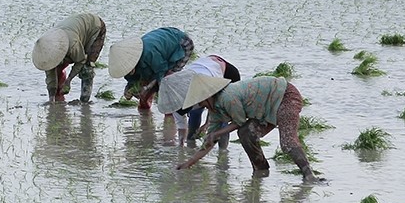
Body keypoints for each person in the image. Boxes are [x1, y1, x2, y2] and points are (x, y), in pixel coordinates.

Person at [175, 74, 322, 183]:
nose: (202, 106)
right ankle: (261, 170)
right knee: (246, 133)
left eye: (202, 103)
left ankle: (309, 175)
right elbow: (210, 140)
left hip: (285, 96)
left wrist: (217, 133)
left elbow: (238, 122)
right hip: (264, 109)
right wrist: (189, 163)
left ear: (208, 97)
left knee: (287, 142)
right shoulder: (215, 111)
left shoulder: (228, 98)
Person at [158, 55, 241, 146]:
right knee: (195, 113)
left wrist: (206, 124)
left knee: (222, 117)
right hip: (201, 69)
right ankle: (191, 142)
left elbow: (214, 106)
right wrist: (181, 145)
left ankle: (223, 152)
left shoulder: (204, 84)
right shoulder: (176, 102)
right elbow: (181, 127)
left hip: (224, 71)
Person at [108, 27, 194, 110]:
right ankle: (146, 109)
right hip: (160, 53)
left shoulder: (149, 53)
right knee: (146, 83)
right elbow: (132, 81)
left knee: (168, 80)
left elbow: (161, 73)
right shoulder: (126, 68)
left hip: (181, 42)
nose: (128, 71)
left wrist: (147, 88)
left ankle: (173, 110)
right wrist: (128, 91)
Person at [31, 13, 106, 103]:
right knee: (57, 67)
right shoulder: (48, 52)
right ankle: (58, 96)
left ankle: (85, 101)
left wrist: (69, 80)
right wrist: (51, 98)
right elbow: (50, 76)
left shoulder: (72, 44)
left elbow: (80, 60)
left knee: (87, 66)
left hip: (94, 26)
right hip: (73, 30)